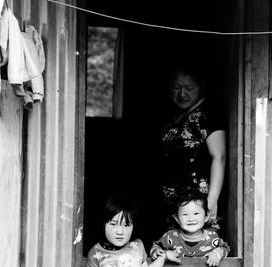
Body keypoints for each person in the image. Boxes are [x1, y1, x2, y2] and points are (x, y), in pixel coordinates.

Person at [159, 62, 226, 227]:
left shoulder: (207, 114)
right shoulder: (174, 114)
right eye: (176, 87)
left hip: (197, 206)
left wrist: (212, 199)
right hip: (174, 204)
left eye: (189, 88)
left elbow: (219, 156)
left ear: (201, 86)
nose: (182, 94)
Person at [150, 190, 230, 266]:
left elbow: (226, 248)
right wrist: (165, 255)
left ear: (206, 216)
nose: (191, 219)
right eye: (185, 214)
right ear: (177, 218)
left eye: (196, 213)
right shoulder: (170, 236)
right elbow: (155, 248)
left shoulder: (212, 237)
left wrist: (217, 253)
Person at [86, 194, 166, 267]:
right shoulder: (95, 254)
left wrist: (163, 256)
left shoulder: (137, 245)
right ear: (104, 224)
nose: (120, 232)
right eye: (113, 224)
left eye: (126, 225)